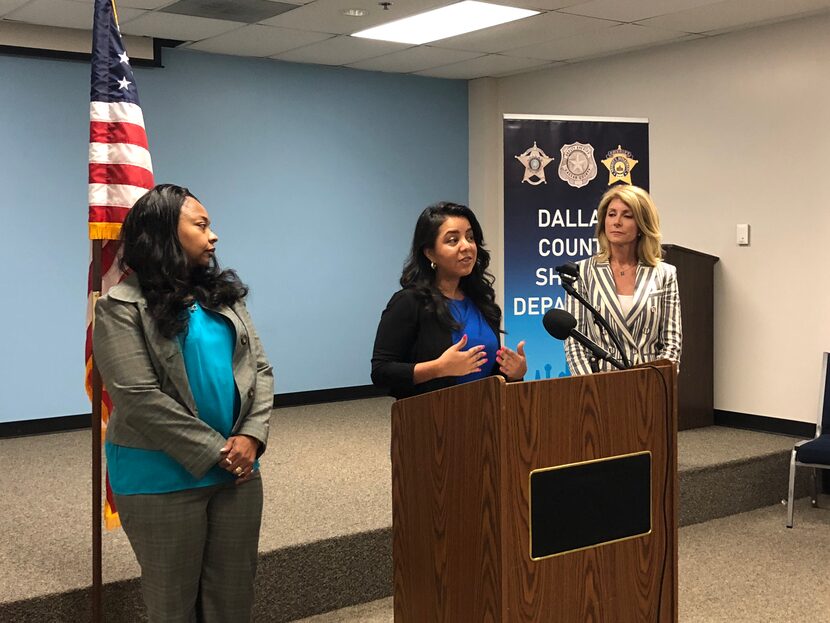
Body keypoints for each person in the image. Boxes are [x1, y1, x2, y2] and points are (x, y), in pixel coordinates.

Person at [93, 184, 273, 622]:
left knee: (232, 600)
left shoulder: (224, 298)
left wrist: (250, 436)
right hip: (161, 477)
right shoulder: (120, 306)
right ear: (164, 235)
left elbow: (260, 371)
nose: (213, 237)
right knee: (173, 604)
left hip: (239, 473)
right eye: (201, 225)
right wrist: (220, 453)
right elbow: (137, 398)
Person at [372, 201, 527, 399]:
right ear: (430, 253)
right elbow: (381, 372)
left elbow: (484, 368)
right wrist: (438, 368)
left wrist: (514, 372)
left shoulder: (481, 301)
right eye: (453, 240)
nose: (467, 246)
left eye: (470, 237)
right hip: (433, 418)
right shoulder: (408, 302)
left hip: (486, 416)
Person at [564, 184, 682, 375]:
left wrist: (657, 384)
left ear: (642, 225)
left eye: (627, 216)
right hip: (600, 385)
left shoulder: (664, 274)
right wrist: (589, 388)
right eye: (611, 214)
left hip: (649, 384)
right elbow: (575, 342)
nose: (616, 222)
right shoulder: (582, 271)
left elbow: (672, 342)